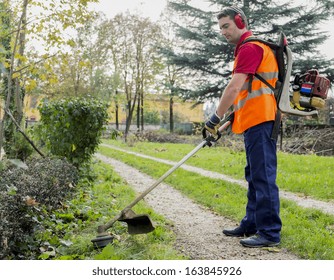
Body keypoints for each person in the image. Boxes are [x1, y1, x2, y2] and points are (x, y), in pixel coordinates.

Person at [203, 6, 282, 248]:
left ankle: (269, 232)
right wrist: (226, 122)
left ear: (240, 21)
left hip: (262, 119)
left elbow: (234, 88)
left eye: (226, 25)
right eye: (220, 28)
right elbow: (246, 96)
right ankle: (251, 223)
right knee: (253, 175)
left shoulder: (250, 47)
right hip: (252, 119)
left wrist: (214, 118)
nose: (223, 31)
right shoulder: (247, 49)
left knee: (263, 177)